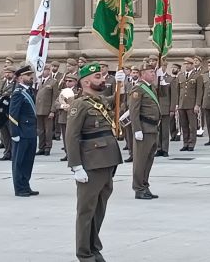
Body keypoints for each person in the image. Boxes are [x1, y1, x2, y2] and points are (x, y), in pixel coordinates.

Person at [67, 63, 125, 262]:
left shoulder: (99, 100)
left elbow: (116, 103)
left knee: (99, 210)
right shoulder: (79, 105)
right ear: (86, 81)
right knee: (86, 211)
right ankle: (84, 253)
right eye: (98, 77)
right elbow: (71, 137)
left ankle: (94, 248)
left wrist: (120, 86)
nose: (103, 79)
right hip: (90, 164)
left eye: (103, 76)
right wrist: (76, 166)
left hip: (107, 161)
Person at [130, 62, 161, 199]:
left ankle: (145, 185)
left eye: (153, 72)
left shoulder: (151, 87)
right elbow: (134, 111)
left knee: (148, 160)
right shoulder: (138, 89)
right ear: (142, 74)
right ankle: (138, 188)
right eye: (150, 72)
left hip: (153, 128)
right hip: (144, 128)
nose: (153, 74)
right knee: (140, 161)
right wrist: (137, 129)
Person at [8, 64, 39, 197]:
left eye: (31, 75)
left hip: (31, 131)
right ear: (20, 78)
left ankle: (26, 185)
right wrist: (14, 133)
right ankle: (19, 188)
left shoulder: (29, 91)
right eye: (28, 76)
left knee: (28, 161)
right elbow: (13, 115)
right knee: (19, 161)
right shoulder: (18, 94)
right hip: (22, 132)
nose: (31, 77)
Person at [176, 57, 203, 152]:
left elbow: (199, 92)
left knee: (192, 125)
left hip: (191, 104)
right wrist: (177, 104)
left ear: (192, 65)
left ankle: (191, 143)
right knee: (184, 125)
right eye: (185, 64)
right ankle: (185, 143)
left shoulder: (197, 76)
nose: (186, 65)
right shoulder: (181, 75)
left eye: (188, 64)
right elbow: (178, 91)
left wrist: (197, 104)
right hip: (182, 104)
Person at [153, 56, 174, 157]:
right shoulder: (155, 79)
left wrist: (172, 108)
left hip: (166, 107)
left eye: (164, 66)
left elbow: (173, 95)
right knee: (157, 130)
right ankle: (158, 148)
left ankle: (165, 149)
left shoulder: (170, 79)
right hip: (156, 107)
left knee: (165, 130)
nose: (162, 68)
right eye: (160, 66)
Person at [35, 63, 57, 156]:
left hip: (47, 110)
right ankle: (41, 147)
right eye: (42, 70)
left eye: (45, 70)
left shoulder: (53, 82)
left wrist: (52, 110)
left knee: (48, 130)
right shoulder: (38, 81)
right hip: (38, 109)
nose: (43, 72)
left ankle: (48, 148)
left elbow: (55, 97)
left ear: (49, 71)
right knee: (40, 130)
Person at [57, 72, 79, 162]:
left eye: (70, 81)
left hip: (74, 117)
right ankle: (67, 154)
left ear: (75, 82)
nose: (67, 83)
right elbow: (56, 103)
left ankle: (74, 154)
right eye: (66, 81)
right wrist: (62, 106)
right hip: (63, 117)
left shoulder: (78, 92)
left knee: (73, 137)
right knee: (65, 137)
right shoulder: (63, 91)